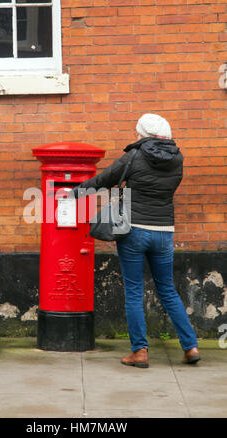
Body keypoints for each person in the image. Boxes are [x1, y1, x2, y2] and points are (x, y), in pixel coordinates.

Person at [73, 113, 200, 368]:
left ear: (143, 133)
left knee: (134, 292)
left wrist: (74, 192)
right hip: (164, 231)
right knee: (167, 290)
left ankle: (140, 352)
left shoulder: (134, 155)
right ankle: (191, 347)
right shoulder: (178, 158)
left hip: (133, 230)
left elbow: (104, 180)